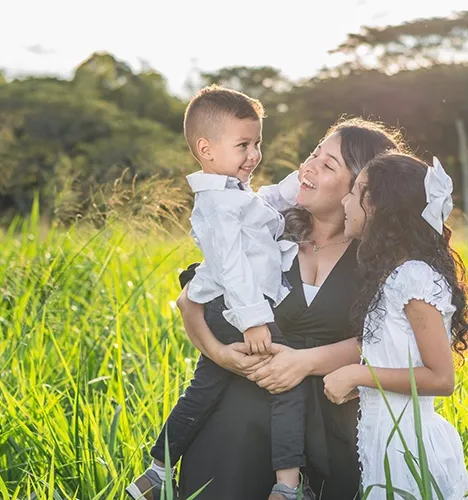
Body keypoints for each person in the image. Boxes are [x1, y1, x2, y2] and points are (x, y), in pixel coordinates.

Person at [174, 117, 403, 499]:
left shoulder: (379, 259)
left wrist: (305, 362)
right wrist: (221, 355)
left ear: (362, 187)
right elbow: (190, 304)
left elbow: (388, 342)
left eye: (328, 165)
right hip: (233, 426)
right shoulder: (265, 228)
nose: (307, 168)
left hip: (327, 432)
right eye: (314, 153)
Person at [126, 84, 307, 500]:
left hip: (222, 310)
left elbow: (271, 200)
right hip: (236, 310)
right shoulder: (219, 205)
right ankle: (287, 485)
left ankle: (157, 472)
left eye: (257, 143)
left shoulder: (233, 193)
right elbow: (231, 266)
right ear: (206, 149)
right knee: (286, 384)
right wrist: (254, 319)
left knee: (204, 388)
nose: (254, 155)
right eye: (243, 145)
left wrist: (306, 174)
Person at [323, 153, 468, 499]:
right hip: (386, 445)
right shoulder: (391, 276)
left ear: (380, 207)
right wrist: (365, 386)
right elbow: (400, 362)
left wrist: (358, 374)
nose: (345, 201)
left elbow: (441, 378)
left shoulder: (413, 276)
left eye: (356, 191)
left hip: (411, 451)